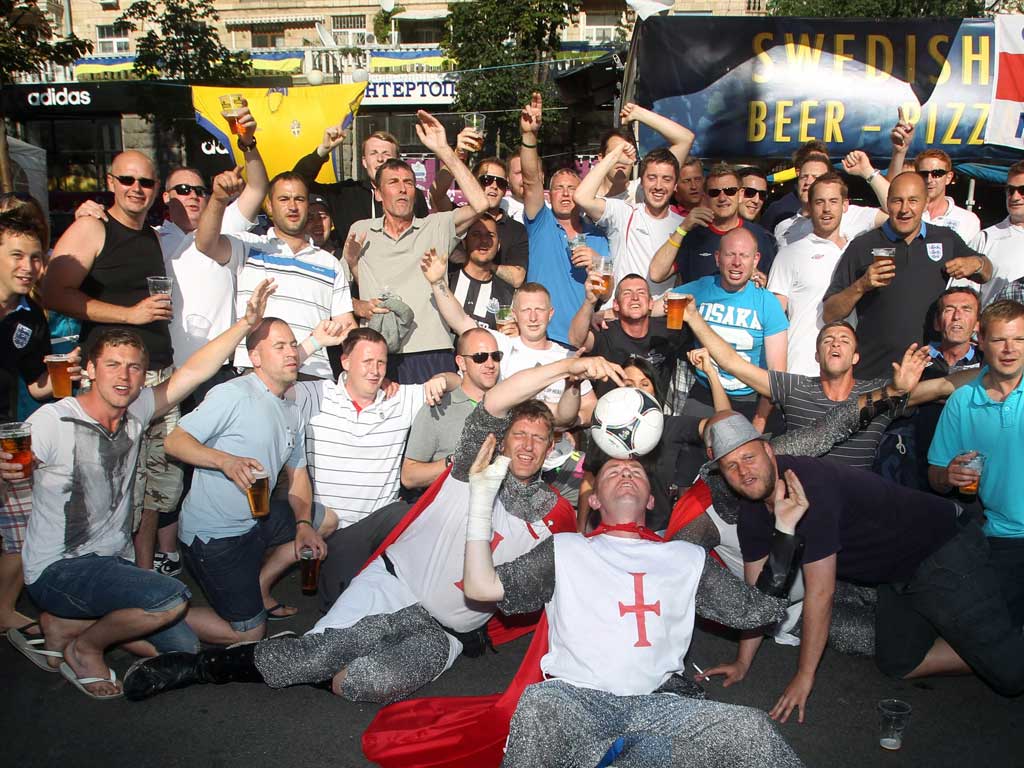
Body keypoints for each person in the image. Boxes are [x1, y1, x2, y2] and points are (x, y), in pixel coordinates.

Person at [121, 356, 620, 704]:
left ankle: (308, 650)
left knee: (362, 684)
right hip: (393, 585)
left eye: (540, 437)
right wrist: (568, 368)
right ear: (503, 438)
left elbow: (538, 586)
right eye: (521, 434)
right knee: (314, 656)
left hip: (445, 631)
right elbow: (497, 398)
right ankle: (197, 671)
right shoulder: (475, 465)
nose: (530, 445)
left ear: (552, 445)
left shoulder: (551, 513)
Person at [1, 281, 276, 699]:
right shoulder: (53, 420)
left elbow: (194, 371)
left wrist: (245, 324)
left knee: (181, 648)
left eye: (133, 367)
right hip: (58, 569)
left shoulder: (136, 412)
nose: (124, 376)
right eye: (112, 365)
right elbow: (17, 461)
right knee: (168, 599)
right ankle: (85, 648)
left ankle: (61, 625)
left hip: (112, 565)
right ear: (90, 370)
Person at [458, 443, 806, 767]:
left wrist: (786, 530)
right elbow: (479, 586)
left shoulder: (685, 556)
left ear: (651, 501)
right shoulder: (565, 548)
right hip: (577, 700)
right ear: (593, 501)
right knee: (537, 707)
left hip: (660, 703)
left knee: (752, 729)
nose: (626, 474)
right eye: (612, 472)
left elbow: (758, 611)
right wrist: (480, 502)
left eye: (636, 472)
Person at [704, 411, 1024, 723]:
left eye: (748, 457)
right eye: (731, 466)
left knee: (1011, 675)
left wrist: (804, 677)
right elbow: (757, 598)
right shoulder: (751, 513)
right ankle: (987, 631)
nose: (743, 471)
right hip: (895, 574)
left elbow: (821, 593)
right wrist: (742, 662)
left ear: (768, 450)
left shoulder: (808, 487)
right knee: (898, 662)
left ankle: (1000, 634)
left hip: (941, 547)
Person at [42, 150, 180, 571]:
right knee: (105, 481)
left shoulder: (152, 236)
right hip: (113, 378)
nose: (136, 189)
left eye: (145, 183)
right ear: (110, 181)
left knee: (154, 485)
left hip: (158, 372)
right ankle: (92, 570)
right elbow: (53, 291)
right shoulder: (92, 227)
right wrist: (130, 315)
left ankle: (142, 574)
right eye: (127, 180)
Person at [168, 318, 339, 642]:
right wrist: (224, 461)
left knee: (324, 520)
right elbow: (174, 442)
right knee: (250, 635)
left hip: (256, 521)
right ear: (255, 358)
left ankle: (258, 586)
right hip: (214, 538)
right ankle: (156, 614)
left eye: (292, 344)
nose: (291, 352)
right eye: (279, 346)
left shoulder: (290, 406)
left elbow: (298, 474)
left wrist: (303, 525)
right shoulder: (232, 394)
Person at [345, 111, 489, 383]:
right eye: (393, 183)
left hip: (432, 351)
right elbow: (335, 293)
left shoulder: (435, 226)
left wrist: (444, 150)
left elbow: (480, 204)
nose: (402, 189)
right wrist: (357, 306)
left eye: (408, 183)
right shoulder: (360, 230)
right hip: (380, 353)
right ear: (377, 192)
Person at [822, 171, 991, 378]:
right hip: (875, 372)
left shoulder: (945, 239)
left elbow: (986, 273)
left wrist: (977, 263)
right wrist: (861, 285)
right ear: (887, 203)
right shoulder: (863, 245)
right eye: (897, 201)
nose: (904, 209)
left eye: (913, 201)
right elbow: (830, 313)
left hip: (929, 372)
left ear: (925, 202)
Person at [0, 212, 82, 636]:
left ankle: (3, 610)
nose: (27, 267)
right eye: (16, 255)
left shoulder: (30, 316)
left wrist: (63, 374)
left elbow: (35, 386)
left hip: (8, 433)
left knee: (22, 524)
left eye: (35, 257)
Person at [194, 168, 355, 381]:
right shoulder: (247, 245)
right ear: (269, 205)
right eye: (284, 199)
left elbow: (346, 325)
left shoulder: (330, 263)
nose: (292, 206)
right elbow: (205, 243)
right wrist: (218, 200)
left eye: (299, 199)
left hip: (315, 378)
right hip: (259, 373)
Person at [928, 299, 1024, 626]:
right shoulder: (962, 401)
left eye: (1019, 339)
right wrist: (947, 474)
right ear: (980, 341)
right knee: (999, 638)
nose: (1010, 349)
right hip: (1004, 539)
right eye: (999, 340)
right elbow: (935, 475)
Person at [425, 255, 596, 427]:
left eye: (539, 310)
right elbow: (460, 319)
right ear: (514, 315)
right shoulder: (498, 346)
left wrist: (566, 422)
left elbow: (590, 406)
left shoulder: (568, 356)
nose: (533, 318)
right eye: (526, 310)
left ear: (550, 314)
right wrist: (437, 282)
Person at [669, 227, 788, 429]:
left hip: (750, 397)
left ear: (756, 260)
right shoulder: (702, 288)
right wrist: (608, 312)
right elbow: (654, 306)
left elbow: (777, 377)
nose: (736, 262)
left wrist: (760, 420)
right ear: (717, 258)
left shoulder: (767, 302)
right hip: (704, 390)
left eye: (744, 255)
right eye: (730, 254)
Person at [518, 92, 611, 347]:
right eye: (559, 187)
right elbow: (530, 180)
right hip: (538, 337)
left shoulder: (598, 236)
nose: (566, 193)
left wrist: (597, 263)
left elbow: (607, 293)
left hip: (578, 340)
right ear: (549, 194)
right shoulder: (541, 222)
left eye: (572, 187)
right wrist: (529, 136)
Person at [766, 173, 855, 376]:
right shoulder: (789, 254)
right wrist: (778, 375)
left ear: (845, 205)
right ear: (810, 206)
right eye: (819, 202)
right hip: (800, 370)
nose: (826, 209)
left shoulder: (857, 251)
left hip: (848, 376)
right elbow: (773, 319)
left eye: (833, 201)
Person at [574, 143, 683, 298]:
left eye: (666, 179)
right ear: (642, 181)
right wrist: (614, 156)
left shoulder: (683, 226)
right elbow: (581, 197)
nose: (658, 186)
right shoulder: (624, 213)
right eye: (652, 178)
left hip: (660, 316)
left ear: (675, 185)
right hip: (620, 315)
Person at [401, 328, 501, 492]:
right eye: (480, 357)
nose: (490, 364)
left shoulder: (508, 404)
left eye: (496, 356)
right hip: (451, 511)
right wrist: (455, 461)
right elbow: (409, 476)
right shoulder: (437, 408)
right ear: (461, 363)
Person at [292, 126, 428, 246]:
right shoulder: (345, 194)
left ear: (397, 160)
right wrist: (322, 151)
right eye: (373, 153)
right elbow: (297, 181)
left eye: (386, 154)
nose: (380, 159)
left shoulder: (410, 194)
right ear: (364, 161)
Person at [648, 162, 777, 287]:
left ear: (741, 195)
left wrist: (763, 283)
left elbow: (775, 289)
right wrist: (682, 228)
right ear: (705, 197)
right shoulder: (691, 236)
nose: (722, 198)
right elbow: (656, 274)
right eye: (714, 193)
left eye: (730, 191)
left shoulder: (762, 238)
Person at [569, 272, 686, 400]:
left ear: (651, 303)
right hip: (611, 413)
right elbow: (576, 340)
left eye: (641, 292)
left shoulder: (667, 331)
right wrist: (589, 302)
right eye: (627, 293)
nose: (635, 297)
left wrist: (693, 316)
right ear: (616, 305)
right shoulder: (606, 331)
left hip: (654, 414)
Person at [431, 152, 528, 289]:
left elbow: (517, 278)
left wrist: (475, 261)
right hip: (453, 301)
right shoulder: (458, 216)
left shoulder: (516, 229)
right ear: (473, 182)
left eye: (500, 183)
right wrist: (455, 154)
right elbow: (436, 193)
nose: (494, 186)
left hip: (496, 307)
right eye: (487, 180)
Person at [772, 151, 887, 248]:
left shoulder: (849, 214)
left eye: (816, 177)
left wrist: (868, 172)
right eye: (804, 177)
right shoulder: (782, 228)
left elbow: (894, 210)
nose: (808, 182)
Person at [889, 121, 980, 243]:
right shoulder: (904, 213)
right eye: (924, 174)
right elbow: (891, 191)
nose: (930, 179)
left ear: (949, 177)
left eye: (937, 174)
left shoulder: (968, 220)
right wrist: (899, 152)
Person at [593, 102, 694, 203]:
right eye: (615, 153)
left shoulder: (643, 191)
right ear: (601, 157)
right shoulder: (588, 194)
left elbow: (685, 139)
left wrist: (638, 113)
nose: (621, 159)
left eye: (627, 152)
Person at [965, 159, 1024, 306]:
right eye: (1010, 190)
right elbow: (964, 295)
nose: (1015, 197)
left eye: (1023, 190)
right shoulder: (986, 238)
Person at [445, 214, 516, 330]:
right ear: (464, 242)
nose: (483, 241)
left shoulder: (506, 295)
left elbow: (506, 332)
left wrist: (513, 333)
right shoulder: (446, 280)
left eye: (490, 235)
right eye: (476, 235)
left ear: (498, 245)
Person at [760, 140, 829, 232]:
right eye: (811, 161)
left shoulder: (838, 207)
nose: (809, 181)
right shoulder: (779, 211)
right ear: (798, 171)